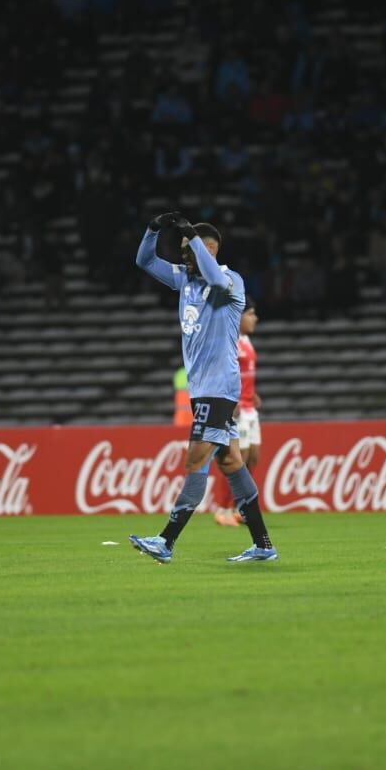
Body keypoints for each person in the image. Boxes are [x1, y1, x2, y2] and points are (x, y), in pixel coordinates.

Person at [129, 212, 277, 563]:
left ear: (207, 249)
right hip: (203, 390)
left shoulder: (230, 280)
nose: (182, 256)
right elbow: (144, 260)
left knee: (195, 459)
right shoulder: (186, 281)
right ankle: (263, 545)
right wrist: (153, 229)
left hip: (218, 389)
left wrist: (192, 237)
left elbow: (212, 273)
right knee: (231, 463)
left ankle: (166, 541)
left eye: (187, 249)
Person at [212, 301, 262, 527]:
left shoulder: (247, 341)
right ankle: (223, 509)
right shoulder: (230, 340)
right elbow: (222, 371)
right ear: (239, 316)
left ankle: (238, 506)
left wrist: (254, 393)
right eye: (251, 314)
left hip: (250, 407)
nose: (255, 318)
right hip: (238, 407)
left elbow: (244, 373)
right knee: (235, 459)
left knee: (252, 458)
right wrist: (230, 400)